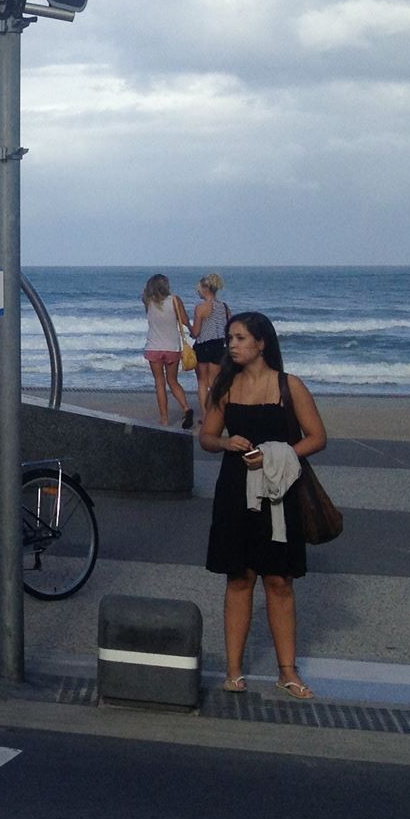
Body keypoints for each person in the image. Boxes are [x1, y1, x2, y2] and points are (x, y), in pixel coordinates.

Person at [200, 311, 326, 700]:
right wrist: (226, 443)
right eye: (230, 339)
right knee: (238, 578)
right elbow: (207, 436)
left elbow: (317, 437)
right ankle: (234, 670)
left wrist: (276, 455)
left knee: (279, 581)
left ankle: (287, 671)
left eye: (239, 338)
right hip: (234, 491)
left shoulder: (290, 386)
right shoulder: (225, 387)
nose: (232, 345)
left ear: (261, 343)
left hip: (278, 492)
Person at [141, 273, 196, 428]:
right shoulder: (175, 300)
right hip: (172, 347)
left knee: (159, 383)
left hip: (154, 347)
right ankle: (186, 408)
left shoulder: (148, 301)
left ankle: (164, 419)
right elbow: (184, 320)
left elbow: (144, 294)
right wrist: (192, 330)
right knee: (173, 381)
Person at [189, 273, 231, 421]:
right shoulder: (225, 307)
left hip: (203, 345)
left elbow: (196, 332)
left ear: (205, 289)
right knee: (215, 383)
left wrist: (188, 326)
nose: (198, 291)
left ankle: (205, 415)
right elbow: (229, 328)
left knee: (202, 382)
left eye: (199, 289)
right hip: (219, 346)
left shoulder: (201, 308)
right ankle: (219, 414)